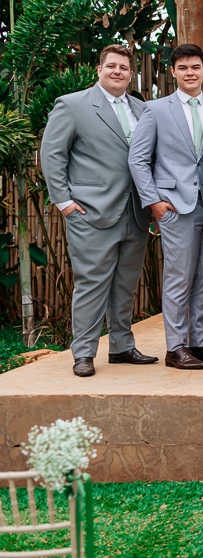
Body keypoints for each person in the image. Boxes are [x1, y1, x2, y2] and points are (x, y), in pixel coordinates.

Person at [40, 45, 155, 377]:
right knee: (92, 283)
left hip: (135, 212)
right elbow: (52, 155)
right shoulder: (73, 105)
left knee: (125, 284)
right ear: (99, 69)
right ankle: (84, 353)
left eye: (124, 67)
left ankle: (121, 346)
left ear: (132, 74)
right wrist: (64, 203)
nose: (117, 71)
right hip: (90, 212)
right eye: (111, 66)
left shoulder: (142, 108)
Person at [128, 43, 203, 370]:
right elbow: (138, 159)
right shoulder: (155, 110)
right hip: (174, 208)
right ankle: (176, 347)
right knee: (178, 279)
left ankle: (200, 343)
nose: (190, 73)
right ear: (173, 72)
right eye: (183, 68)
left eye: (195, 67)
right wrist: (154, 202)